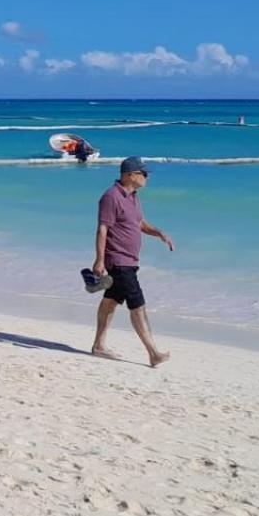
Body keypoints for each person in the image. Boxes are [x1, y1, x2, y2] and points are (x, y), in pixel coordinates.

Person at [90, 156, 175, 368]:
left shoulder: (133, 196)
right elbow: (103, 229)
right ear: (130, 175)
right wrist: (100, 260)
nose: (146, 177)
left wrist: (159, 233)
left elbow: (139, 223)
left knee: (111, 301)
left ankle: (99, 345)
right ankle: (153, 352)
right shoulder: (111, 197)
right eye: (143, 174)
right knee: (137, 304)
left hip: (130, 260)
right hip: (117, 260)